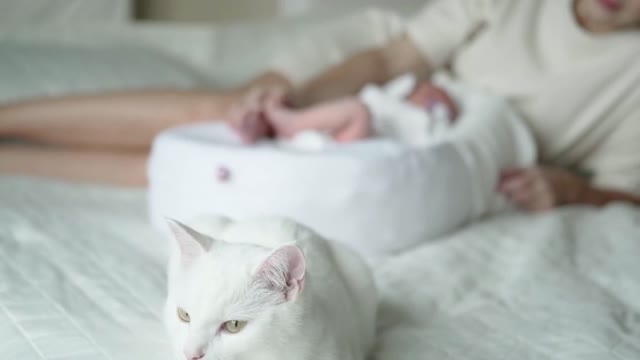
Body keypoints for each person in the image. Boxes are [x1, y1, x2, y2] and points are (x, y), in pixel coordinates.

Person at [0, 0, 638, 211]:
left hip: (436, 164)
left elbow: (624, 191)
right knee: (229, 118)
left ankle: (9, 162)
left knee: (209, 173)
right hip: (395, 104)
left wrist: (573, 192)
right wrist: (295, 101)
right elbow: (392, 58)